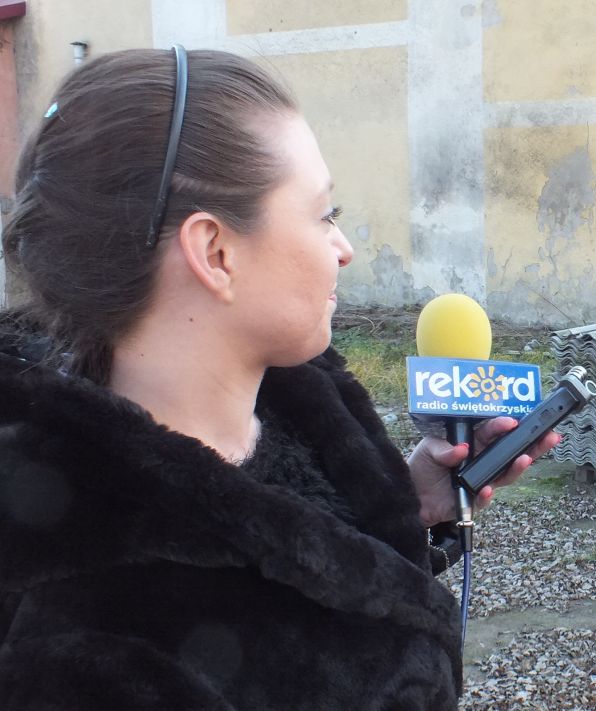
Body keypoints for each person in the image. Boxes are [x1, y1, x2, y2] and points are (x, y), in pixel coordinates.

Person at [0, 47, 556, 709]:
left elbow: (279, 567)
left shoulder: (305, 410)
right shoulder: (87, 646)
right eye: (324, 214)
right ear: (215, 252)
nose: (344, 248)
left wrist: (403, 510)